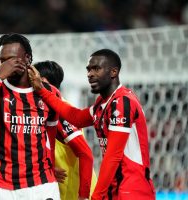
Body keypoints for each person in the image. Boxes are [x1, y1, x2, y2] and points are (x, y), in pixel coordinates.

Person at [28, 49, 156, 200]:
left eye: (96, 69)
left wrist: (92, 197)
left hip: (132, 190)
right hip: (114, 189)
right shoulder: (102, 104)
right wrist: (43, 91)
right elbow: (76, 117)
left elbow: (113, 156)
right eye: (88, 69)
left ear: (113, 72)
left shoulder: (122, 102)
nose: (90, 74)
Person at [0, 33, 60, 200]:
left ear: (28, 58)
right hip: (4, 187)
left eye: (12, 59)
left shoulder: (49, 92)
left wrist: (52, 166)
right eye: (3, 61)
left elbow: (50, 138)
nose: (6, 65)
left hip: (43, 184)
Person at [33, 61, 96, 200]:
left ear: (43, 81)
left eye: (32, 79)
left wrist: (84, 196)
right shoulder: (43, 109)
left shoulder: (60, 111)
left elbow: (86, 154)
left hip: (77, 193)